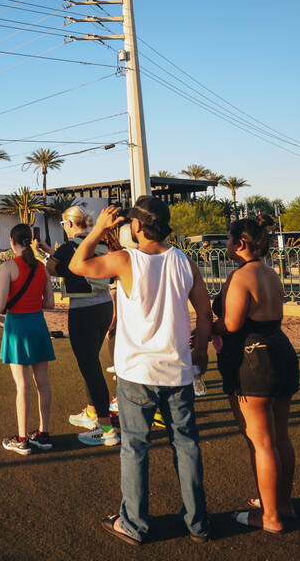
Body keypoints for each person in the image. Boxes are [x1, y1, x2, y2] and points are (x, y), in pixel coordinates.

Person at [70, 197, 213, 545]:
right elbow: (205, 312)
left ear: (136, 227)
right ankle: (198, 523)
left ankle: (134, 523)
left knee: (135, 449)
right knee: (186, 445)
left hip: (137, 373)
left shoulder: (125, 260)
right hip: (178, 371)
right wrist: (202, 351)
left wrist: (99, 229)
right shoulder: (183, 260)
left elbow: (77, 264)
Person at [212, 213, 300, 533]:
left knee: (261, 443)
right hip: (281, 351)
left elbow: (232, 323)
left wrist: (206, 327)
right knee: (280, 438)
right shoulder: (270, 273)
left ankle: (270, 516)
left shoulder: (241, 277)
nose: (225, 243)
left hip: (254, 359)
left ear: (241, 244)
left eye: (228, 238)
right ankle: (283, 504)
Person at [32, 206, 121, 447]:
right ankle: (93, 411)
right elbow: (73, 263)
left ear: (70, 224)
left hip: (83, 310)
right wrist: (52, 252)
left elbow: (54, 269)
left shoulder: (70, 247)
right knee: (90, 361)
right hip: (104, 306)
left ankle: (105, 428)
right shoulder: (101, 244)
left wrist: (44, 254)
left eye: (62, 224)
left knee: (90, 368)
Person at [0, 222, 55, 456]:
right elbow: (49, 303)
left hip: (17, 327)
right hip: (37, 325)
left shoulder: (8, 266)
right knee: (43, 383)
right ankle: (43, 433)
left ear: (12, 241)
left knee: (22, 385)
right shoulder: (41, 267)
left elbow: (0, 306)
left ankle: (22, 440)